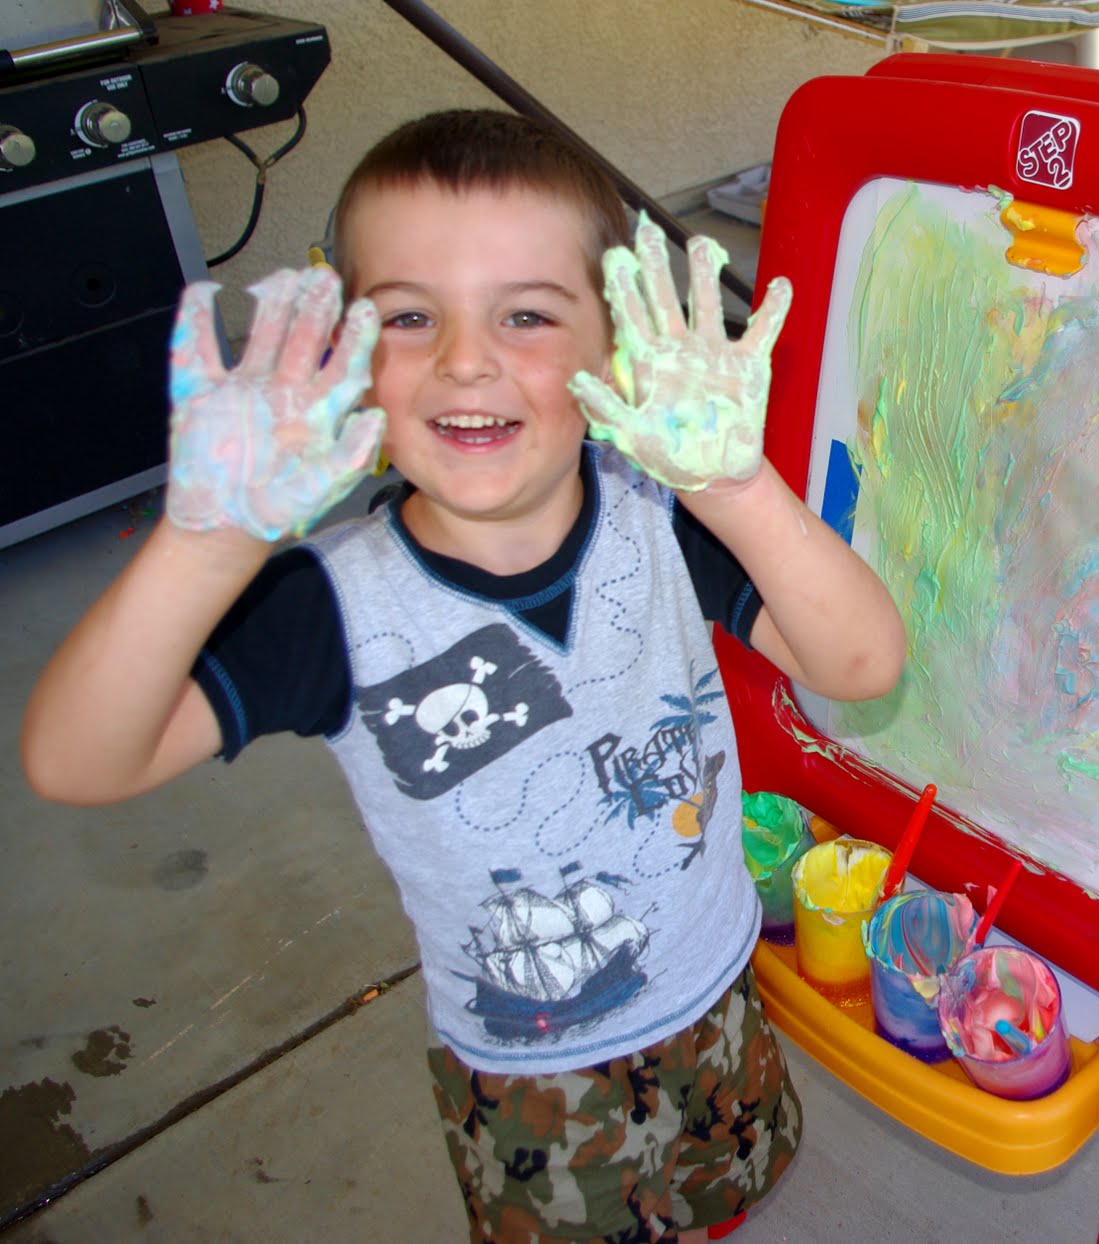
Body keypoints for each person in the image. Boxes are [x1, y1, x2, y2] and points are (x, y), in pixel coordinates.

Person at [21, 109, 905, 1244]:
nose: (466, 359)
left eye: (526, 314)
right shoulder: (329, 608)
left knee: (724, 1192)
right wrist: (208, 538)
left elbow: (861, 663)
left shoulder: (658, 516)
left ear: (612, 350)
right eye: (408, 317)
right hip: (531, 1067)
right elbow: (75, 758)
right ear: (348, 354)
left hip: (714, 977)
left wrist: (732, 488)